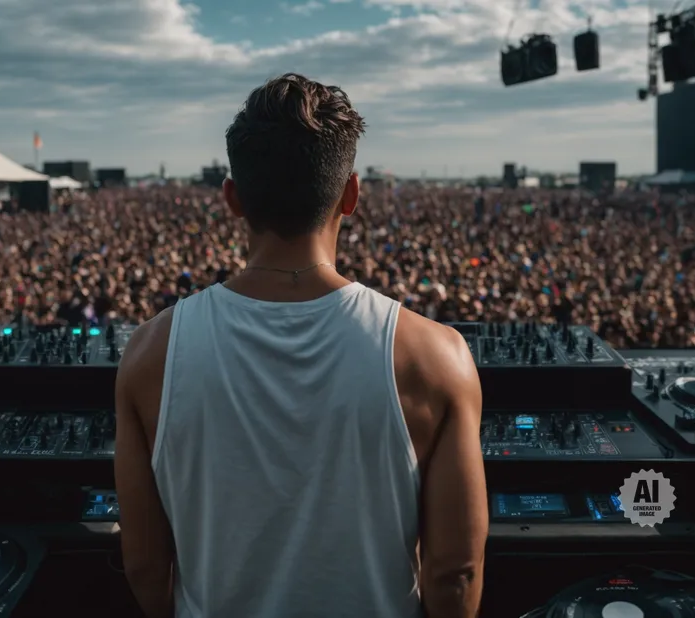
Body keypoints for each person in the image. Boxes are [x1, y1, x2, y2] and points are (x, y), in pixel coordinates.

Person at [114, 73, 488, 618]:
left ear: (233, 199)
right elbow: (456, 572)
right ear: (352, 195)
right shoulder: (436, 355)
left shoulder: (150, 353)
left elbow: (146, 566)